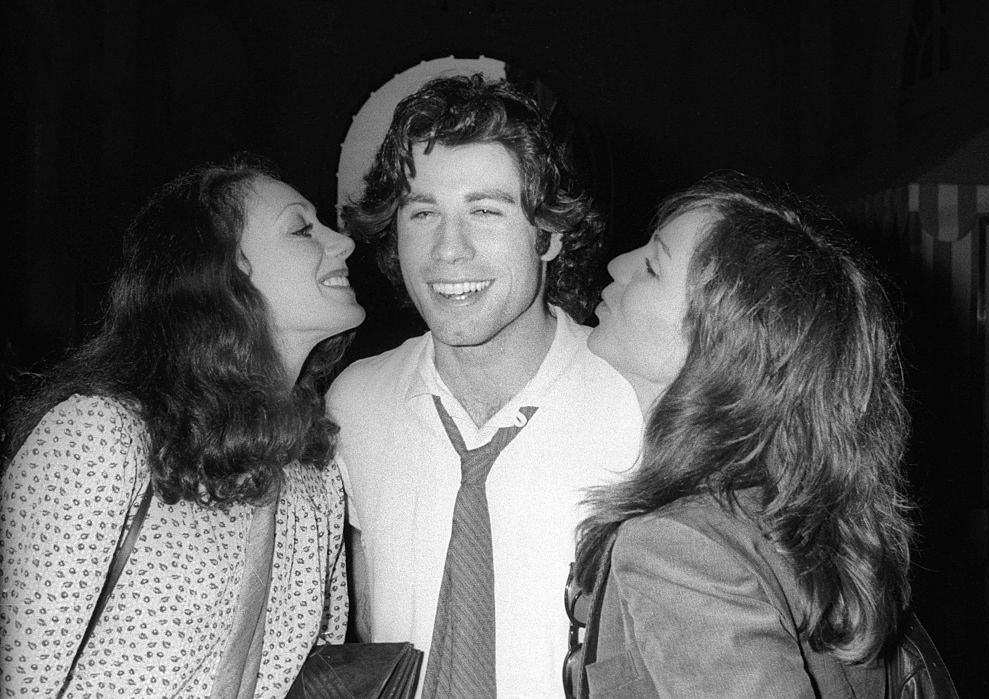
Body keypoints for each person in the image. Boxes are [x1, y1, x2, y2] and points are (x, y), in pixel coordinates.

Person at [327, 74, 643, 698]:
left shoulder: (634, 402)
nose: (449, 250)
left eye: (485, 211)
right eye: (423, 214)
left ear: (548, 233)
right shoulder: (353, 404)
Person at [0, 156, 362, 697]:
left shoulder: (315, 470)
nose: (345, 243)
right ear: (221, 273)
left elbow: (311, 672)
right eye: (302, 228)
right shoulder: (95, 438)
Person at [572, 172, 914, 697]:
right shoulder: (795, 518)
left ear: (718, 348)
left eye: (651, 267)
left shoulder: (678, 545)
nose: (618, 264)